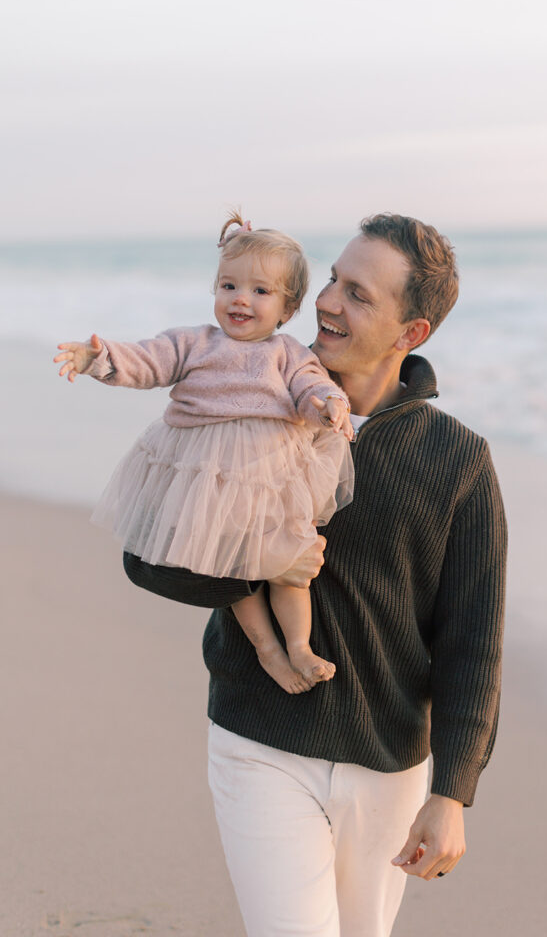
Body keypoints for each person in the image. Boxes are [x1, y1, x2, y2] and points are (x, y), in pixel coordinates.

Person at [122, 213, 507, 937]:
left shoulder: (456, 460)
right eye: (332, 278)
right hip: (259, 739)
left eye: (358, 294)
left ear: (410, 333)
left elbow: (473, 640)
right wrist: (261, 562)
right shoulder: (244, 391)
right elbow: (145, 558)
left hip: (389, 761)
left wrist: (452, 792)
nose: (327, 300)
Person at [54, 214, 355, 694]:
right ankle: (267, 648)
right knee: (229, 562)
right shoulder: (194, 342)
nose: (240, 298)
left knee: (291, 559)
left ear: (288, 308)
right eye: (229, 285)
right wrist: (100, 359)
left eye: (260, 291)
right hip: (203, 475)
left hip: (266, 475)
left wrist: (328, 405)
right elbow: (148, 360)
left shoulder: (288, 353)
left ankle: (298, 646)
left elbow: (311, 387)